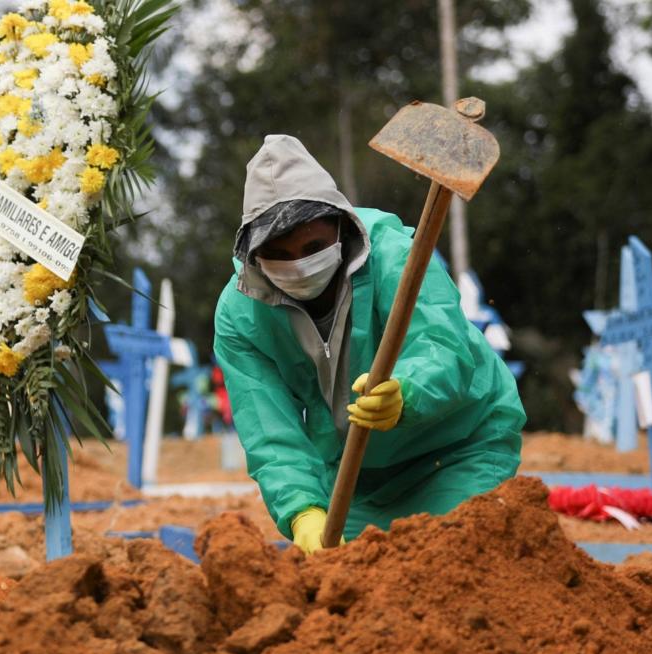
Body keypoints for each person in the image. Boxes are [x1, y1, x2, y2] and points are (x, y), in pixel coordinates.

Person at [213, 134, 526, 552]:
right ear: (254, 256)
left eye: (312, 247)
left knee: (450, 563)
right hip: (354, 477)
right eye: (279, 254)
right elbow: (270, 431)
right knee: (349, 584)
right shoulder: (240, 315)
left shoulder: (398, 256)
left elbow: (445, 347)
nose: (298, 265)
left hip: (458, 448)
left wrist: (408, 392)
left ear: (341, 226)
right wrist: (304, 511)